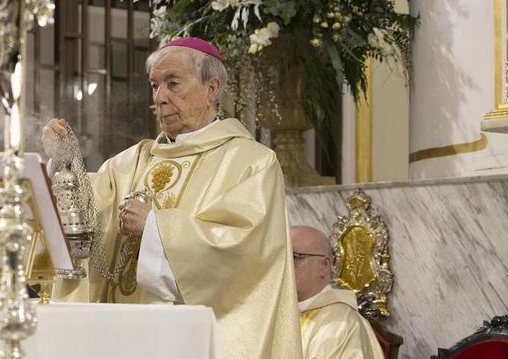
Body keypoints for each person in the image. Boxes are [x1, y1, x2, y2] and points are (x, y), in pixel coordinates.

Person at [43, 37, 302, 359]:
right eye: (155, 86)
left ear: (211, 89)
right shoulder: (129, 163)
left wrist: (155, 226)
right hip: (122, 337)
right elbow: (80, 223)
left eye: (173, 84)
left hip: (194, 343)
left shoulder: (252, 162)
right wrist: (66, 164)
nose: (160, 98)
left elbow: (244, 256)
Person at [291, 226, 384, 359]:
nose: (284, 266)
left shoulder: (344, 326)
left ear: (324, 266)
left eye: (294, 257)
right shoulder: (276, 313)